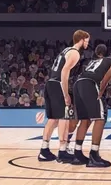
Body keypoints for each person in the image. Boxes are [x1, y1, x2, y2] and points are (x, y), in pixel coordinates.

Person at [70, 42, 111, 168]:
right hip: (91, 84)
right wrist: (101, 92)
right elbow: (106, 78)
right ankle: (94, 155)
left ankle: (77, 154)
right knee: (100, 118)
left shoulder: (99, 60)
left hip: (79, 83)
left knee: (85, 120)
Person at [38, 30, 90, 163]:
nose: (87, 43)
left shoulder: (66, 50)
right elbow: (65, 72)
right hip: (58, 84)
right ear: (81, 39)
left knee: (53, 119)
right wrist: (66, 93)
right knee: (64, 117)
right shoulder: (75, 53)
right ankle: (62, 151)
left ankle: (44, 150)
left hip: (50, 83)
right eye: (87, 40)